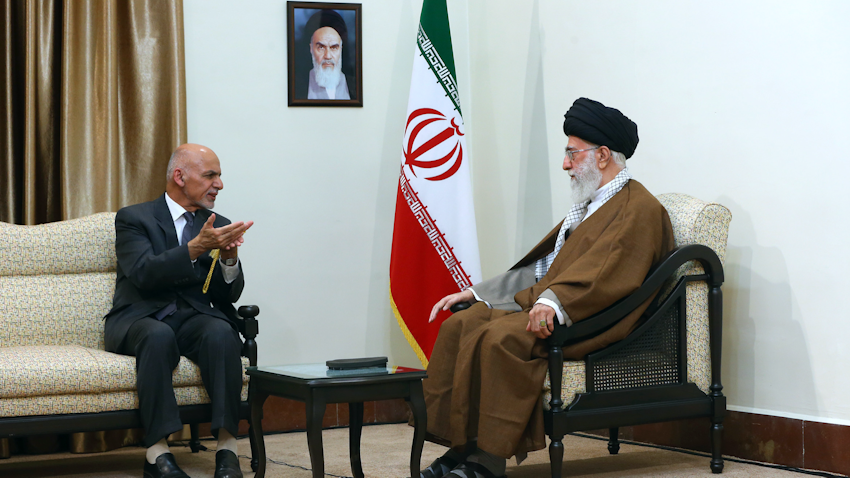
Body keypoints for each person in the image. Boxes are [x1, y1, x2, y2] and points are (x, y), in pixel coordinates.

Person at [419, 98, 676, 478]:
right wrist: (476, 293)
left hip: (592, 319)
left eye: (572, 154)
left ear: (603, 156)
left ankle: (487, 460)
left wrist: (555, 303)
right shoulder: (592, 204)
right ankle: (460, 447)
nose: (565, 164)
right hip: (559, 307)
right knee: (462, 323)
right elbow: (544, 269)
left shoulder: (639, 209)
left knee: (499, 339)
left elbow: (609, 276)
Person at [105, 144, 253, 478]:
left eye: (219, 175)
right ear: (180, 176)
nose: (219, 184)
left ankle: (228, 449)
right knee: (157, 337)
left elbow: (226, 294)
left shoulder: (217, 224)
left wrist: (229, 259)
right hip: (140, 316)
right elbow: (143, 273)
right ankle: (157, 453)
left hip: (191, 317)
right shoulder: (134, 218)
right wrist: (194, 248)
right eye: (210, 175)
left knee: (221, 332)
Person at [296, 9, 352, 100]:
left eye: (334, 47)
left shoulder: (354, 86)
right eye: (321, 47)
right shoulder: (297, 87)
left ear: (341, 49)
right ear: (311, 49)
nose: (328, 56)